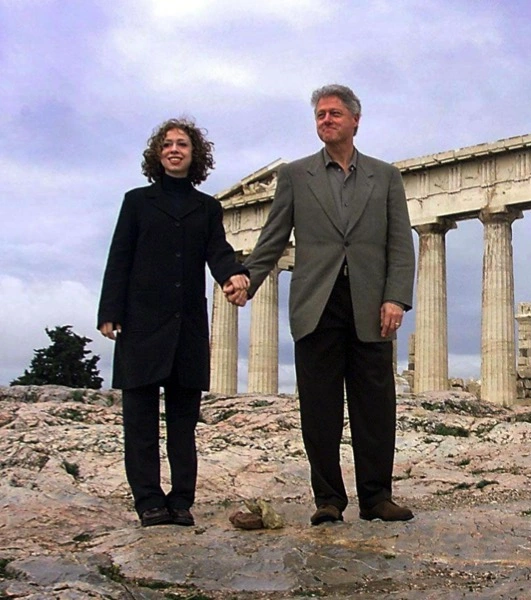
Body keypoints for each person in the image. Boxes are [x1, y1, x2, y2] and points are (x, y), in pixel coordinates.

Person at [225, 84, 415, 524]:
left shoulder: (386, 176)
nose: (325, 121)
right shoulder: (295, 175)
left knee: (375, 403)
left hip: (370, 302)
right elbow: (274, 236)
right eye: (319, 116)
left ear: (354, 120)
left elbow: (399, 243)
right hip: (316, 302)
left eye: (333, 114)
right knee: (319, 406)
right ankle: (328, 499)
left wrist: (396, 298)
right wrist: (248, 281)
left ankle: (376, 497)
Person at [98, 118, 249, 527]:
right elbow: (119, 258)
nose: (174, 149)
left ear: (194, 154)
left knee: (184, 425)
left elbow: (217, 251)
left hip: (187, 326)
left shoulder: (208, 207)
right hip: (141, 323)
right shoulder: (136, 202)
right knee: (141, 423)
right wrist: (109, 312)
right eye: (167, 144)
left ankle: (181, 501)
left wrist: (233, 274)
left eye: (182, 144)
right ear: (157, 154)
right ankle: (148, 501)